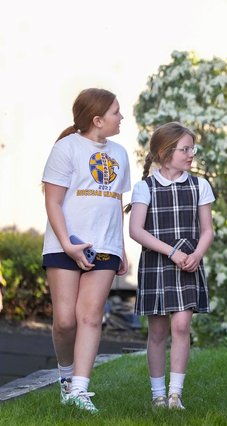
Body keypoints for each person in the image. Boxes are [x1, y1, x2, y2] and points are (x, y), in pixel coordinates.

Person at [42, 88, 131, 413]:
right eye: (116, 112)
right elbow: (52, 201)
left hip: (105, 247)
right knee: (65, 321)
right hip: (64, 244)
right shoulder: (65, 149)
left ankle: (80, 389)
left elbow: (116, 202)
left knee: (90, 317)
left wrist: (120, 248)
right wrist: (68, 244)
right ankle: (66, 378)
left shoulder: (120, 153)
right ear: (97, 119)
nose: (121, 117)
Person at [128, 122, 214, 410]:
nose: (191, 154)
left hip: (188, 264)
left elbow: (207, 230)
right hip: (157, 263)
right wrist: (172, 252)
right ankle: (158, 395)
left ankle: (175, 395)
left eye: (193, 148)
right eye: (185, 149)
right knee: (158, 332)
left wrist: (197, 254)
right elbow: (136, 231)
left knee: (181, 325)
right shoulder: (145, 187)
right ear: (165, 154)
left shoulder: (200, 185)